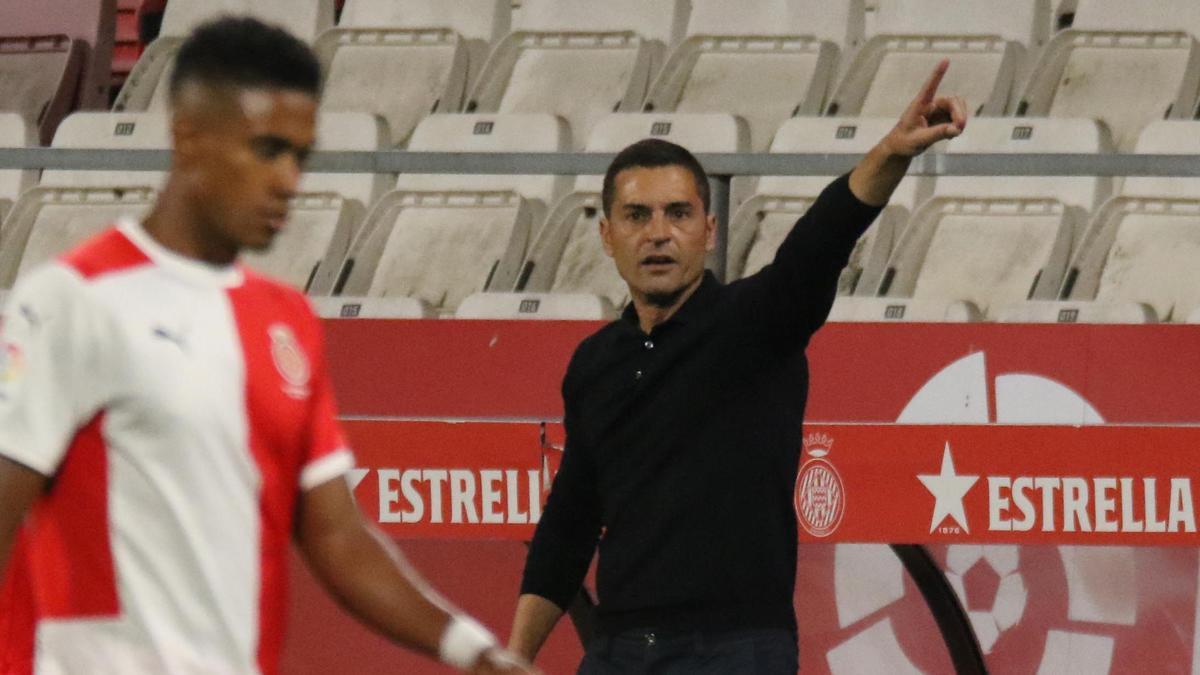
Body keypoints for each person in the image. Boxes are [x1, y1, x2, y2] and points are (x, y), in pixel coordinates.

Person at [0, 17, 536, 675]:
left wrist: (472, 649)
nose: (288, 180)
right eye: (266, 149)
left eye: (299, 156)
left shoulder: (286, 321)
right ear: (187, 138)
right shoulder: (71, 301)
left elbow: (336, 535)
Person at [508, 61, 967, 673]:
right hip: (618, 651)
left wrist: (892, 152)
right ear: (607, 235)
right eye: (637, 216)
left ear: (710, 229)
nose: (659, 233)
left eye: (679, 213)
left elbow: (820, 241)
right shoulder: (594, 363)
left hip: (737, 650)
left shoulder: (758, 324)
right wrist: (512, 658)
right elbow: (569, 524)